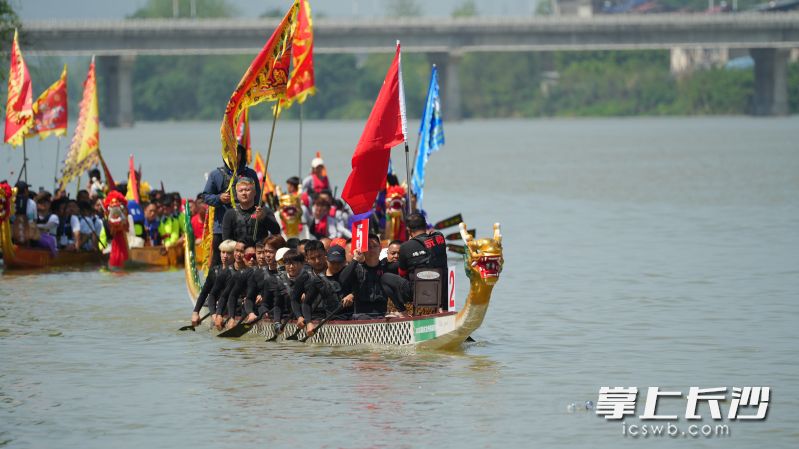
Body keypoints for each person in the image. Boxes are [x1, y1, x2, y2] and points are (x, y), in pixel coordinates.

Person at [202, 143, 261, 268]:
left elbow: (258, 198)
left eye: (237, 153)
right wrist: (219, 198)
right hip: (221, 225)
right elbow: (206, 196)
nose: (233, 156)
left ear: (241, 155)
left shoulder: (250, 174)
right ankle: (215, 284)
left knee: (248, 258)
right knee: (219, 260)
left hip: (246, 225)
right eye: (230, 153)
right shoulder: (215, 175)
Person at [398, 212, 449, 311]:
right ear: (425, 225)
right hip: (442, 291)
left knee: (386, 278)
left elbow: (402, 273)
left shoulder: (405, 246)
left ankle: (402, 311)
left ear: (408, 229)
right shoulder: (439, 237)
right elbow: (434, 233)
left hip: (420, 294)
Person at [351, 234, 408, 318]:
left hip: (389, 316)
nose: (396, 256)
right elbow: (343, 280)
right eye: (369, 246)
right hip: (363, 316)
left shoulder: (393, 267)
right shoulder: (358, 269)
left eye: (374, 246)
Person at [222, 177, 280, 243]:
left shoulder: (264, 211)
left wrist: (264, 218)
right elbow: (226, 240)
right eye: (240, 191)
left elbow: (276, 232)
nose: (244, 193)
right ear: (237, 194)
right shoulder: (230, 214)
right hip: (239, 251)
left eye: (247, 190)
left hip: (259, 250)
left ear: (254, 192)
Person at [191, 239, 235, 326]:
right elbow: (204, 293)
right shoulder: (214, 271)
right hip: (215, 307)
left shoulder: (239, 272)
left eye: (229, 253)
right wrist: (196, 312)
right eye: (223, 252)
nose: (225, 256)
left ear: (235, 254)